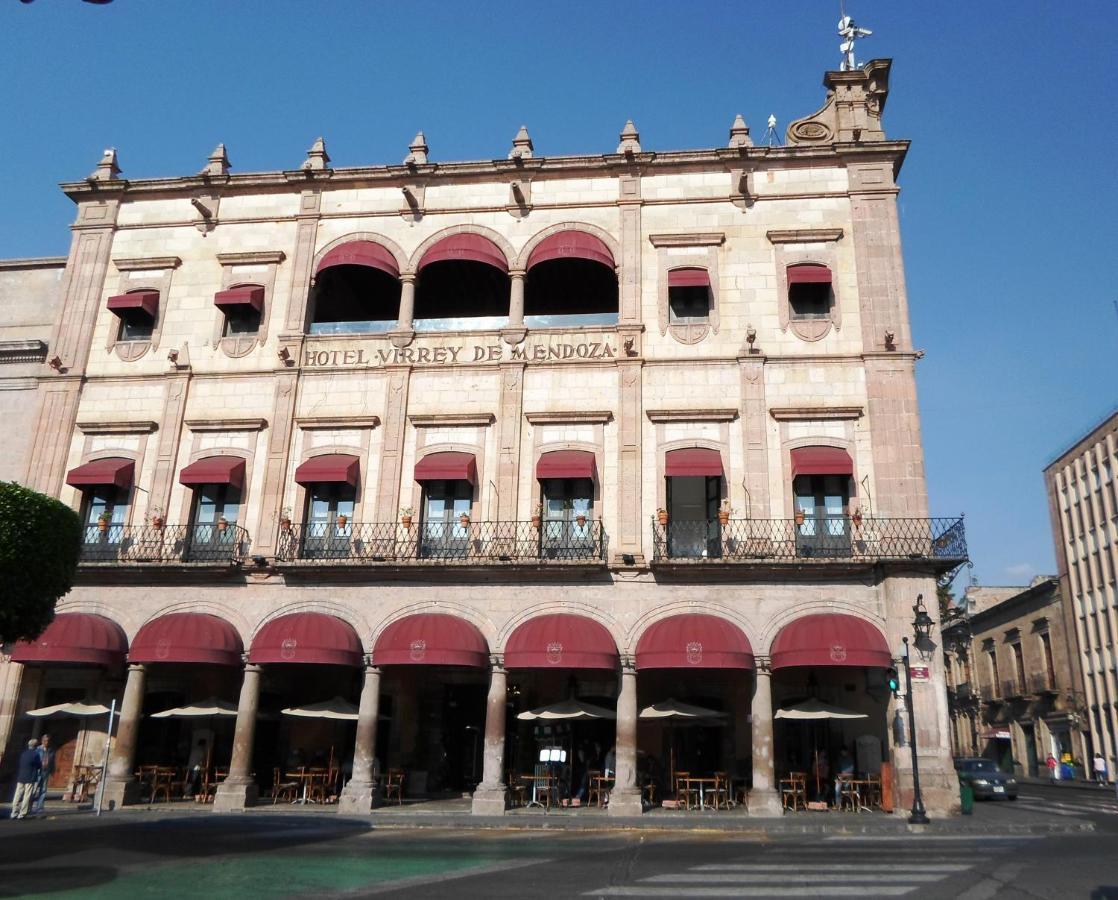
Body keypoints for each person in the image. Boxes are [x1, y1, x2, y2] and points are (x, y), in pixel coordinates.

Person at [10, 739, 41, 820]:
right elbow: (39, 765)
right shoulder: (35, 754)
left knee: (17, 794)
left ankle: (14, 812)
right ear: (36, 746)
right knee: (26, 795)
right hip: (30, 777)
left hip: (21, 776)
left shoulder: (23, 754)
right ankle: (22, 813)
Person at [31, 734, 55, 816]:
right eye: (45, 741)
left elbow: (52, 762)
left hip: (46, 772)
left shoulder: (51, 750)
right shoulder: (37, 750)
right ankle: (28, 807)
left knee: (43, 791)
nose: (46, 742)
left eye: (48, 741)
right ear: (42, 741)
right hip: (37, 772)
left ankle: (39, 808)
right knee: (33, 790)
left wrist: (52, 771)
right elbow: (33, 761)